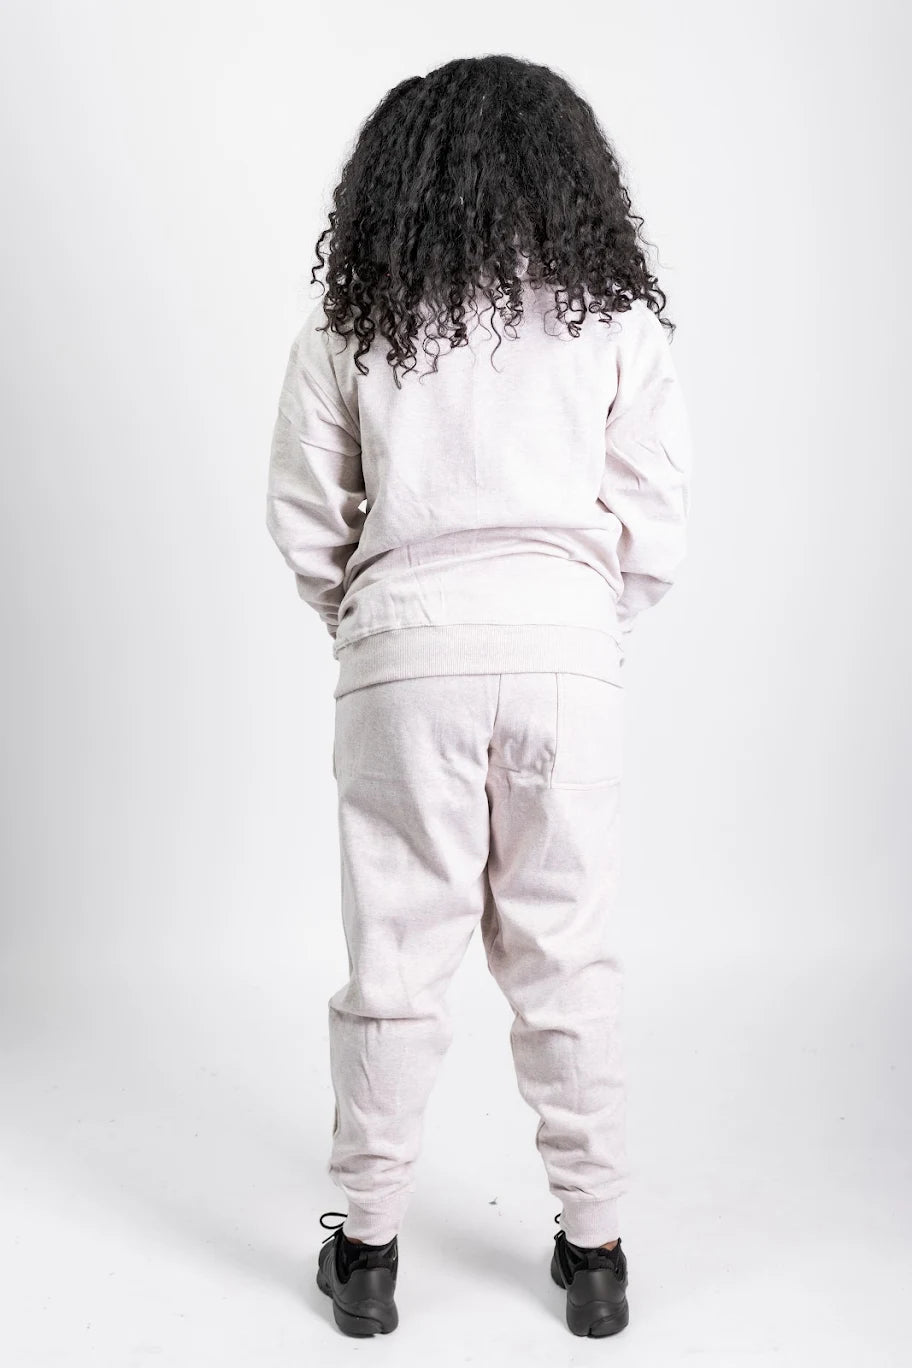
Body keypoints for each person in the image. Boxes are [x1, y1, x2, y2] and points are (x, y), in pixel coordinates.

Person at [266, 53, 693, 1339]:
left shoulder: (352, 327)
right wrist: (577, 624)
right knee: (568, 959)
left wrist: (371, 627)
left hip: (402, 659)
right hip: (567, 660)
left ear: (395, 179)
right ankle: (598, 1252)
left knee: (395, 964)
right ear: (573, 177)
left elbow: (306, 520)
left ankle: (369, 1256)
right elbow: (654, 526)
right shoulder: (616, 326)